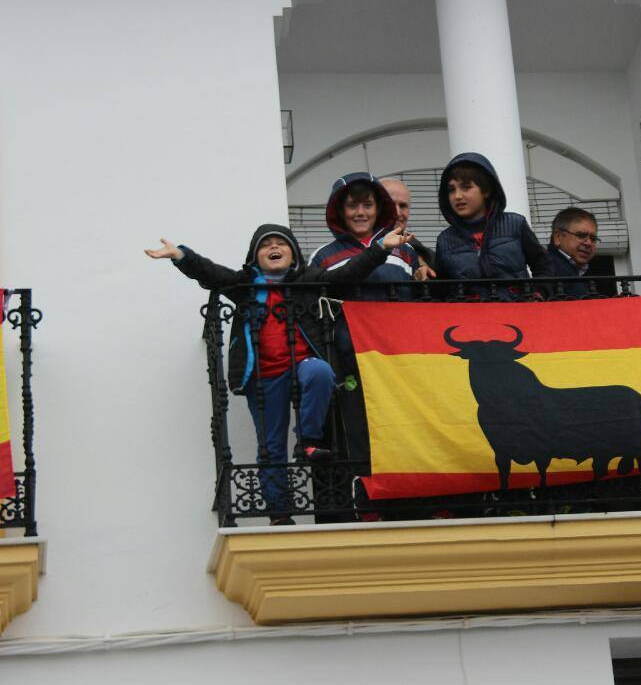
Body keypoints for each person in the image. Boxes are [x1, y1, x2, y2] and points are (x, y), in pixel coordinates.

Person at [145, 223, 411, 525]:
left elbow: (347, 274)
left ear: (294, 253)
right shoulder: (245, 285)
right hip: (263, 376)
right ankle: (279, 513)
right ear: (255, 256)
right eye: (266, 244)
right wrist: (180, 255)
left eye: (281, 243)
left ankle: (307, 439)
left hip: (301, 366)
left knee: (321, 372)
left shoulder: (309, 280)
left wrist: (380, 249)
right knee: (270, 447)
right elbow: (212, 274)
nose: (274, 248)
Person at [434, 152, 554, 287]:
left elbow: (544, 267)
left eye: (466, 187)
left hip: (517, 307)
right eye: (451, 190)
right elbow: (442, 290)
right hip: (470, 309)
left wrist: (537, 296)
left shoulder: (515, 224)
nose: (457, 196)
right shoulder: (445, 240)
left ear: (486, 190)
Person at [309, 172, 429, 297]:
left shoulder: (405, 250)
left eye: (368, 205)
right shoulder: (321, 256)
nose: (360, 212)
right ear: (340, 210)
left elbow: (421, 300)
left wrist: (426, 280)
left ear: (378, 209)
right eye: (352, 205)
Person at [381, 177, 436, 280]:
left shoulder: (425, 255)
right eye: (390, 205)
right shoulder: (356, 248)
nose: (397, 213)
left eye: (402, 206)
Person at [546, 207, 599, 297]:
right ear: (558, 237)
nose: (589, 243)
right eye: (581, 235)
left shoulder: (577, 270)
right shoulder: (549, 267)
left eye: (593, 238)